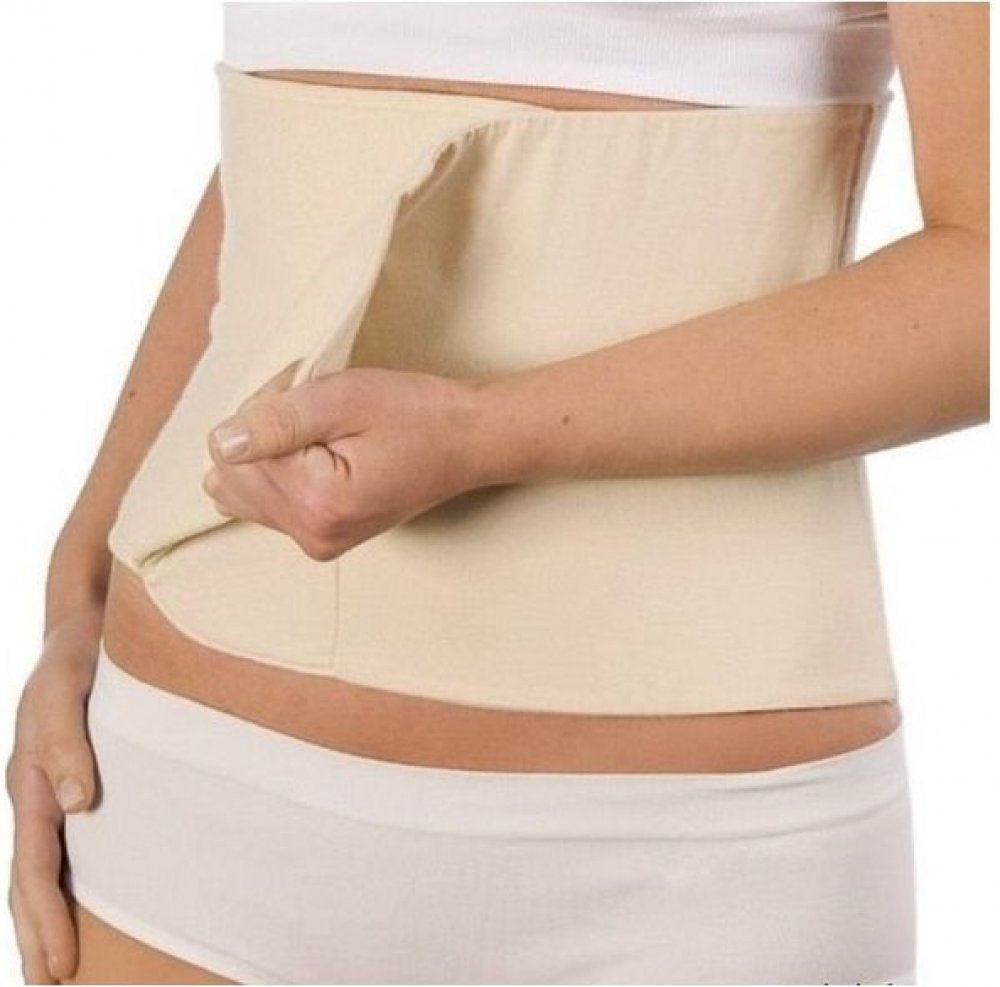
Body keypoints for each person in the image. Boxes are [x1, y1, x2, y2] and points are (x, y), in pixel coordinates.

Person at [6, 3, 987, 984]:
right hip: (182, 804)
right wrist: (78, 587)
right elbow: (283, 173)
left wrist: (481, 431)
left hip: (681, 856)